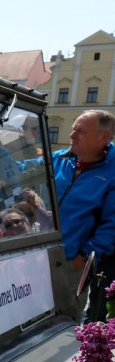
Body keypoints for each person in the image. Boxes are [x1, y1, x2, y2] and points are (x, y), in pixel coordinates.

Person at [52, 110, 115, 307]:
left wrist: (84, 258)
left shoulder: (112, 170)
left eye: (80, 131)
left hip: (71, 264)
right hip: (39, 256)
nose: (72, 135)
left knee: (64, 325)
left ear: (104, 137)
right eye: (73, 129)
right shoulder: (60, 158)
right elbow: (18, 173)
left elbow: (112, 225)